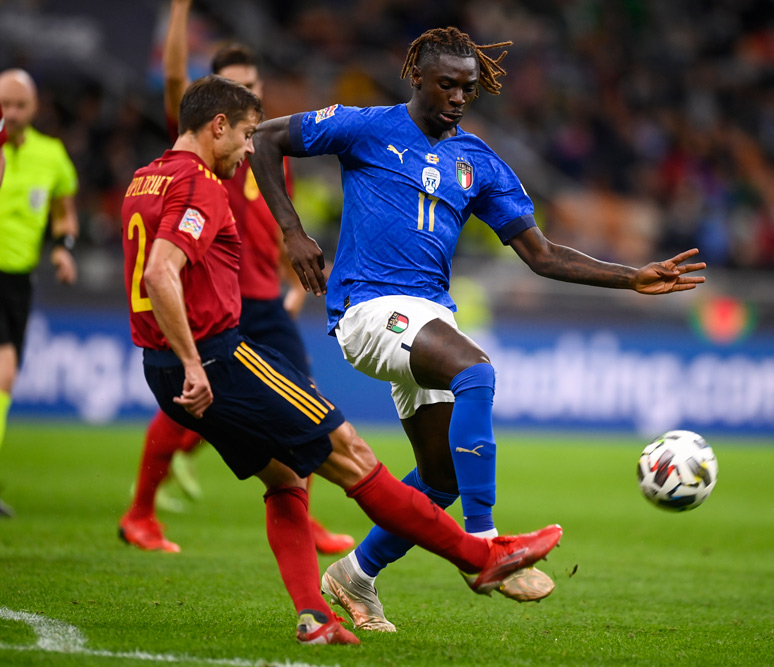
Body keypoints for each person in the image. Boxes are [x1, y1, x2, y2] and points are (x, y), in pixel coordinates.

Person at [250, 26, 706, 631]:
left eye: (469, 87)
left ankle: (355, 575)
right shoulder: (365, 126)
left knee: (440, 477)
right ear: (418, 78)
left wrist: (632, 277)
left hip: (427, 316)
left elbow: (541, 254)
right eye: (447, 85)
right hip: (368, 307)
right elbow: (265, 137)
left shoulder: (479, 163)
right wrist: (291, 230)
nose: (460, 97)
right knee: (477, 371)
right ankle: (485, 543)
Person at [122, 73, 562, 645]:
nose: (252, 149)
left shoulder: (143, 180)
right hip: (219, 358)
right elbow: (162, 273)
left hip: (156, 365)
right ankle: (481, 553)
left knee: (286, 480)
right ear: (218, 126)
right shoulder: (202, 185)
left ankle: (317, 614)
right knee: (353, 454)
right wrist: (195, 361)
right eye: (247, 135)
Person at [118, 0, 353, 555]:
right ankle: (140, 512)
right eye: (235, 84)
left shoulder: (261, 148)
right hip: (213, 304)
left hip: (264, 301)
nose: (248, 92)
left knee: (308, 400)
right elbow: (176, 74)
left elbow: (278, 225)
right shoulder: (205, 145)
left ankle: (304, 512)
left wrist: (296, 284)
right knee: (181, 416)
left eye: (253, 83)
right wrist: (178, 12)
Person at [0, 69, 79, 518]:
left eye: (19, 105)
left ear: (34, 108)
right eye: (4, 105)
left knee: (5, 375)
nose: (10, 114)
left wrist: (62, 249)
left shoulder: (52, 157)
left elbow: (64, 214)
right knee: (5, 371)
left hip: (18, 279)